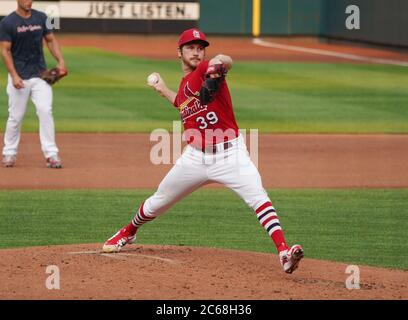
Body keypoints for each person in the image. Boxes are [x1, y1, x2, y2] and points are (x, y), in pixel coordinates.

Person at [103, 28, 304, 273]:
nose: (197, 52)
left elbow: (225, 60)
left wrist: (215, 71)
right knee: (158, 201)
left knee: (259, 199)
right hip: (195, 158)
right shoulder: (186, 82)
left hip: (231, 155)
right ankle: (128, 232)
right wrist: (162, 88)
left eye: (200, 48)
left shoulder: (206, 70)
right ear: (179, 52)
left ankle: (284, 252)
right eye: (191, 47)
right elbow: (182, 103)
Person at [0, 0, 67, 168]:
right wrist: (14, 76)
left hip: (40, 75)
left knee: (45, 111)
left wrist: (60, 61)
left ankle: (51, 154)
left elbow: (50, 40)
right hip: (20, 77)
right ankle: (9, 153)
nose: (29, 1)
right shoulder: (8, 22)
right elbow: (5, 50)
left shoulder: (41, 17)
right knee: (15, 116)